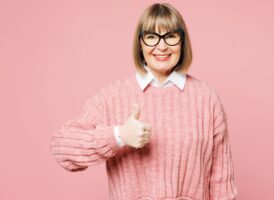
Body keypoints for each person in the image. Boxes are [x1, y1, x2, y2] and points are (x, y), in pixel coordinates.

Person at [50, 3, 238, 200]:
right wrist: (118, 136)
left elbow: (222, 183)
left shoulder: (206, 99)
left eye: (171, 36)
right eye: (151, 37)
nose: (162, 46)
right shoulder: (112, 97)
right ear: (140, 43)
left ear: (182, 42)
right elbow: (62, 150)